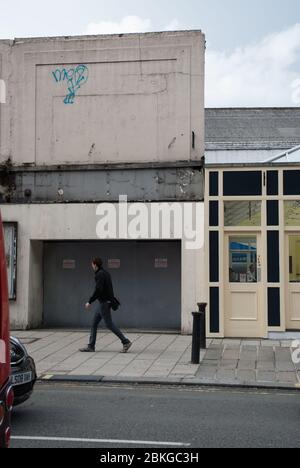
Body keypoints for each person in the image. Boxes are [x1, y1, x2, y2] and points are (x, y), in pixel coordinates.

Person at [80, 258, 132, 353]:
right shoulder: (105, 273)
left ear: (95, 265)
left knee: (109, 324)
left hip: (104, 303)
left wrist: (90, 301)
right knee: (94, 323)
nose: (91, 266)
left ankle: (126, 342)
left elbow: (98, 290)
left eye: (92, 265)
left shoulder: (99, 275)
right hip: (104, 302)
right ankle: (91, 346)